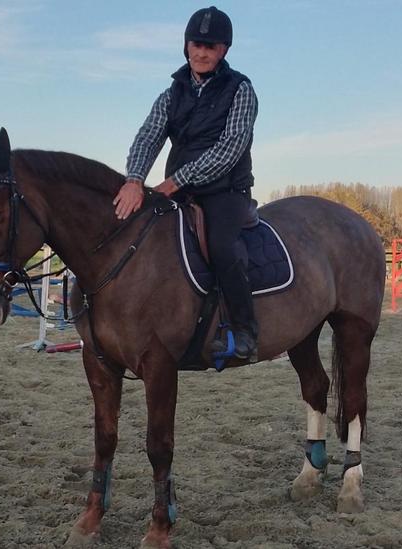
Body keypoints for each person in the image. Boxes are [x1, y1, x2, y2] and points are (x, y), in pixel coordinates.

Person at [113, 6, 259, 360]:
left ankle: (244, 329)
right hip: (178, 189)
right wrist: (134, 180)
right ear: (186, 46)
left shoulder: (241, 89)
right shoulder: (171, 93)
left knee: (223, 248)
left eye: (212, 46)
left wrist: (177, 179)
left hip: (225, 190)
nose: (202, 52)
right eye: (197, 43)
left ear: (224, 50)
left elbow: (230, 149)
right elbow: (149, 136)